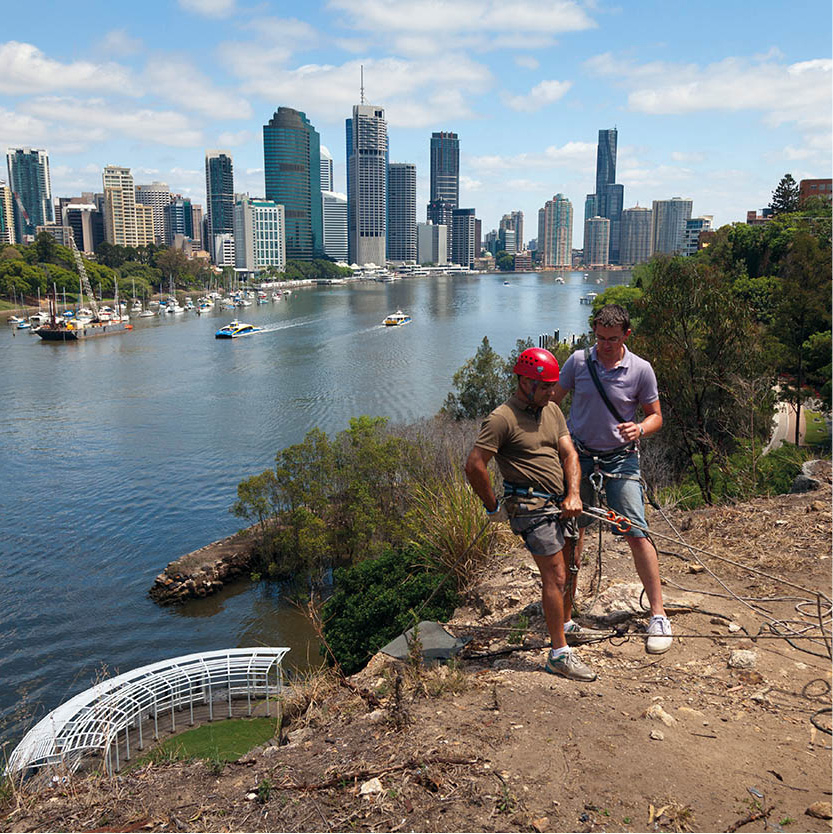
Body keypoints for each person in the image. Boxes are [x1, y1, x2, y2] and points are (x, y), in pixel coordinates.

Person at [465, 347, 597, 681]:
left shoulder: (552, 410)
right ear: (524, 382)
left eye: (553, 386)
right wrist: (492, 505)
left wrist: (574, 493)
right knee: (554, 575)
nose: (553, 392)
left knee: (571, 565)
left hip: (560, 502)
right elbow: (475, 465)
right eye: (545, 386)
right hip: (529, 507)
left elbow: (569, 454)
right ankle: (558, 654)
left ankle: (565, 624)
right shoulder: (502, 418)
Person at [552, 303, 672, 654]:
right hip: (580, 459)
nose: (605, 345)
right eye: (600, 338)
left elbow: (655, 416)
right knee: (573, 534)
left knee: (636, 531)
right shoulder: (577, 362)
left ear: (626, 336)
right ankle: (565, 614)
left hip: (621, 462)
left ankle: (659, 614)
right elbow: (554, 403)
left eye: (613, 339)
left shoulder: (641, 370)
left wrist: (640, 428)